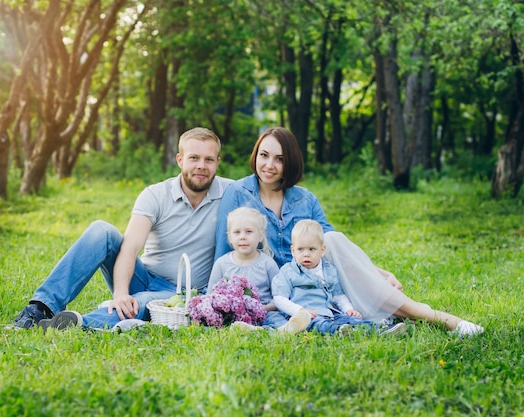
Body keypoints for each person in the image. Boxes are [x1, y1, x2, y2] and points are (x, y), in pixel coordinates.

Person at [215, 126, 484, 337]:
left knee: (332, 238)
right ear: (255, 155)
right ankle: (440, 319)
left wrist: (377, 272)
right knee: (379, 302)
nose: (269, 165)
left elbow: (331, 249)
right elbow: (225, 253)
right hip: (279, 293)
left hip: (319, 281)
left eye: (279, 159)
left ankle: (431, 316)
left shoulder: (305, 199)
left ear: (291, 162)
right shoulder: (238, 193)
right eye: (264, 155)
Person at [11, 127, 233, 331]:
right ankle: (39, 308)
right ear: (180, 160)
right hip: (144, 276)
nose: (201, 166)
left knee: (142, 305)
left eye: (209, 159)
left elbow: (264, 195)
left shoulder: (232, 193)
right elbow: (130, 248)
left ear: (217, 162)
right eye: (194, 158)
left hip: (183, 294)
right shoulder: (155, 195)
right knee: (101, 231)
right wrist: (120, 293)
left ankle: (75, 323)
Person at [272, 219, 407, 336]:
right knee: (320, 324)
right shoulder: (288, 272)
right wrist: (300, 311)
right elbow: (279, 298)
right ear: (293, 250)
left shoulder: (329, 270)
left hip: (330, 312)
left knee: (350, 319)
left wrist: (348, 309)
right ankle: (339, 331)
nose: (306, 254)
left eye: (312, 249)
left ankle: (380, 329)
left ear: (322, 250)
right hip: (307, 316)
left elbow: (338, 295)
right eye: (301, 249)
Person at [207, 206, 309, 332]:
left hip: (265, 311)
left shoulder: (267, 263)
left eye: (249, 232)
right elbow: (211, 295)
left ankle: (283, 329)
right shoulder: (222, 264)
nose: (242, 237)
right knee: (233, 323)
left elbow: (280, 295)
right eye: (237, 232)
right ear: (230, 237)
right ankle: (257, 330)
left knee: (276, 319)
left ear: (260, 236)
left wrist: (263, 308)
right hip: (235, 314)